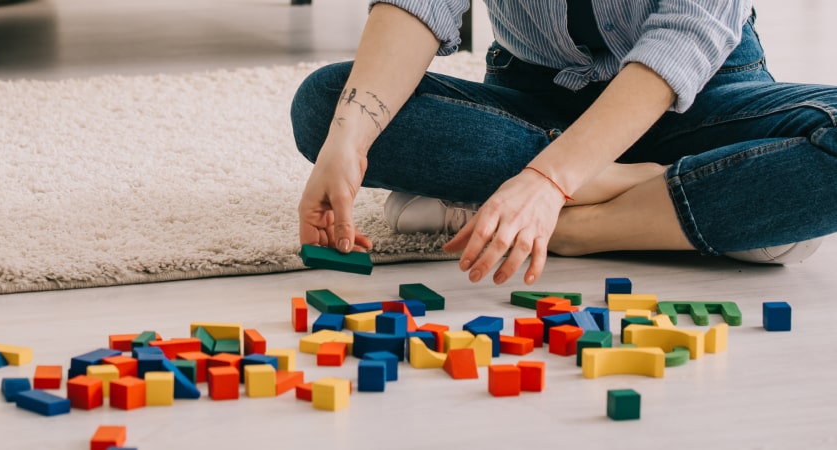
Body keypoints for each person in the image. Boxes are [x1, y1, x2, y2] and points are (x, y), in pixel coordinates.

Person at [290, 0, 836, 285]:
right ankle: (680, 192)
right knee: (326, 105)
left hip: (700, 91)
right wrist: (350, 137)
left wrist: (547, 180)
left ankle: (579, 227)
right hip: (538, 95)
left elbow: (686, 35)